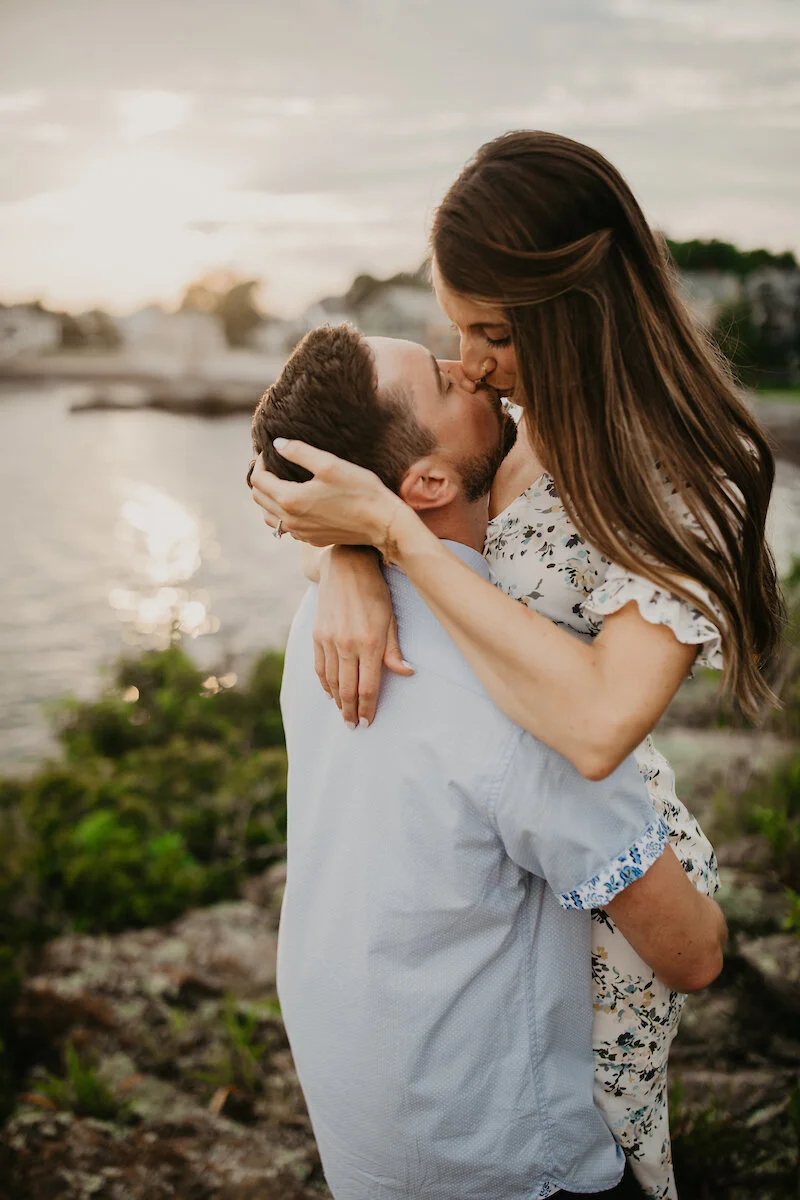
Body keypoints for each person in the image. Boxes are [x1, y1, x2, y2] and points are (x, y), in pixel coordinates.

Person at [250, 132, 783, 1198]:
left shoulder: (684, 484)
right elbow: (301, 449)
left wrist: (387, 542)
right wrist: (342, 553)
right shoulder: (512, 414)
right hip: (507, 837)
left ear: (573, 313)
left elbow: (591, 727)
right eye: (456, 329)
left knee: (582, 1139)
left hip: (587, 838)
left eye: (491, 332)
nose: (469, 361)